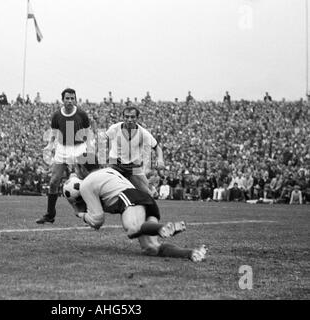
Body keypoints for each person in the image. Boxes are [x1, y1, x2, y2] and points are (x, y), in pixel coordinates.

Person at [69, 153, 207, 262]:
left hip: (130, 198)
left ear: (82, 168)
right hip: (144, 199)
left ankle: (162, 227)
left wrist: (79, 213)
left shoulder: (86, 183)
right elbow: (133, 171)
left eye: (76, 167)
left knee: (132, 230)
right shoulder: (108, 170)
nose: (75, 170)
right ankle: (192, 253)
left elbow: (97, 220)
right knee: (151, 248)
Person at [36, 88, 92, 224]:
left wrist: (90, 147)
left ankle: (90, 213)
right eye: (67, 98)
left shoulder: (81, 114)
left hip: (79, 148)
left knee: (87, 181)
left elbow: (88, 131)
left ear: (75, 99)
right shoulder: (56, 115)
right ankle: (50, 215)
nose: (70, 101)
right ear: (63, 100)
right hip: (62, 148)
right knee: (53, 181)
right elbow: (54, 132)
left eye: (72, 98)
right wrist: (50, 146)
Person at [104, 106, 165, 195]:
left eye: (132, 117)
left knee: (147, 192)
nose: (129, 119)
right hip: (115, 164)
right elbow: (104, 139)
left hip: (133, 166)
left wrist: (160, 159)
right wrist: (106, 153)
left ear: (137, 118)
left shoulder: (143, 133)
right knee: (107, 188)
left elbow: (157, 147)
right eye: (126, 116)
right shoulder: (114, 128)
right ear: (123, 117)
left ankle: (149, 201)